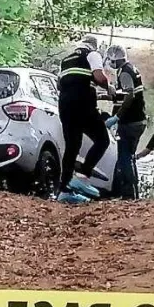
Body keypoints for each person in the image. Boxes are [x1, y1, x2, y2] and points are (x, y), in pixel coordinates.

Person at [56, 35, 113, 204]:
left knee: (72, 147)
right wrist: (109, 87)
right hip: (83, 105)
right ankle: (82, 177)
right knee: (102, 140)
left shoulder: (66, 60)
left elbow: (62, 84)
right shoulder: (92, 54)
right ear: (93, 46)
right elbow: (99, 77)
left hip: (65, 106)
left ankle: (64, 190)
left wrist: (94, 91)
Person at [104, 44, 147, 199]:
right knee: (130, 157)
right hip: (139, 120)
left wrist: (117, 117)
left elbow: (129, 96)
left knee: (124, 157)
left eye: (110, 60)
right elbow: (124, 95)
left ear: (115, 59)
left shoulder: (124, 73)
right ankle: (134, 194)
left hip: (130, 122)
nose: (110, 63)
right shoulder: (131, 69)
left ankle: (128, 194)